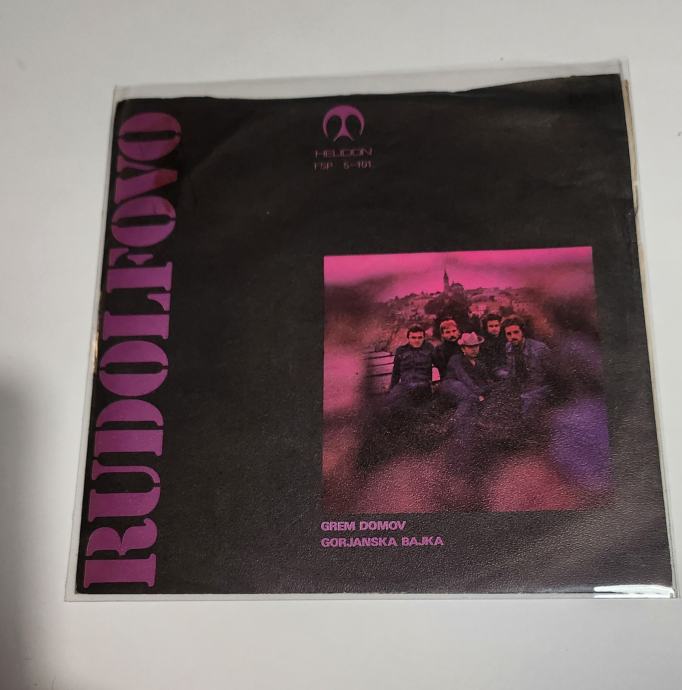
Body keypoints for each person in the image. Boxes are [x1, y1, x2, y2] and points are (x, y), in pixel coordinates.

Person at [502, 315, 551, 418]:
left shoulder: (539, 349)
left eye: (516, 332)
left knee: (527, 403)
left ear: (522, 332)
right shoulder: (508, 347)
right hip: (521, 386)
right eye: (508, 334)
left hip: (540, 387)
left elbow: (552, 375)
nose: (512, 336)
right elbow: (512, 372)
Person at [386, 325, 435, 410]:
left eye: (420, 337)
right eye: (413, 337)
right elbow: (396, 371)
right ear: (408, 338)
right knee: (391, 404)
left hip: (423, 385)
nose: (417, 340)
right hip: (405, 385)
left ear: (424, 338)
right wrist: (392, 387)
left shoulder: (429, 348)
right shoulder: (401, 350)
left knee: (423, 409)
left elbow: (440, 364)